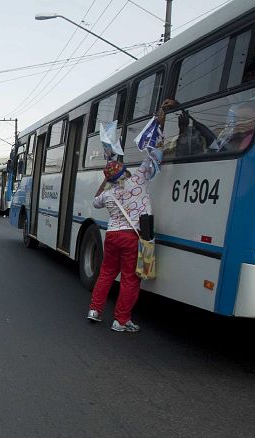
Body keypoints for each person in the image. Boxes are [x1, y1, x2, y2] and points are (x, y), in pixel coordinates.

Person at [87, 100, 172, 332]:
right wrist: (160, 122)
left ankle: (94, 310)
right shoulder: (138, 180)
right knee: (130, 279)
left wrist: (106, 180)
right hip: (133, 238)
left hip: (112, 236)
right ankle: (121, 320)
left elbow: (94, 202)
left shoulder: (108, 195)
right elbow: (153, 153)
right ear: (125, 173)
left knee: (105, 274)